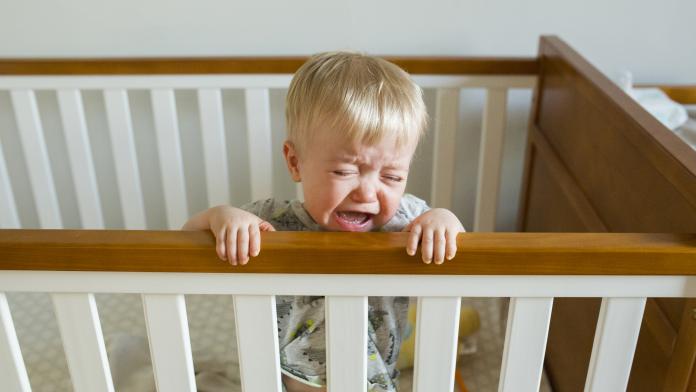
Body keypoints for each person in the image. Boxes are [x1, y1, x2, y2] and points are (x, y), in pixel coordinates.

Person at [183, 51, 465, 392]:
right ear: (295, 162)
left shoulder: (407, 223)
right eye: (345, 171)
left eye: (391, 176)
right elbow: (185, 242)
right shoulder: (272, 223)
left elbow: (458, 248)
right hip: (282, 382)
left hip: (374, 382)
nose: (367, 193)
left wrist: (445, 219)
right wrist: (219, 216)